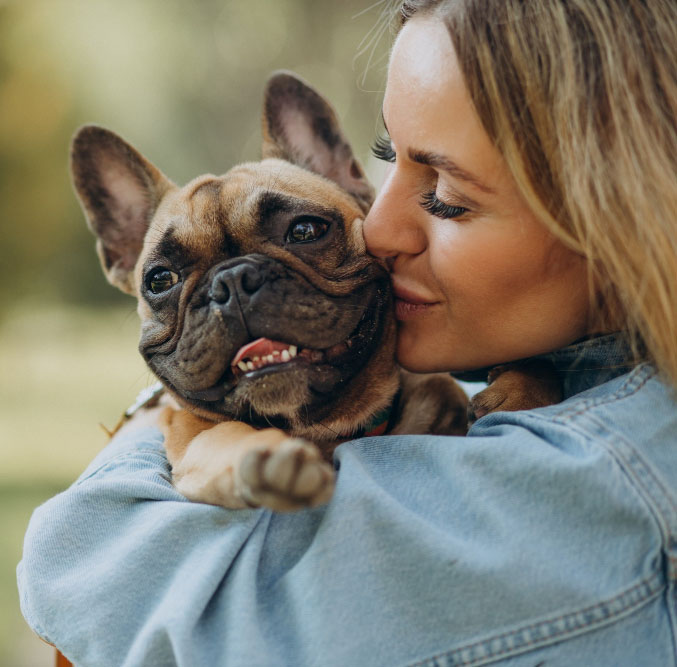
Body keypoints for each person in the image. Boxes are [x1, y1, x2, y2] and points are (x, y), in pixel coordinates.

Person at [18, 1, 677, 665]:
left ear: (612, 205)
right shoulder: (534, 392)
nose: (377, 227)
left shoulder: (594, 484)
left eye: (447, 191)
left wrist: (155, 429)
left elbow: (82, 577)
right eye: (387, 159)